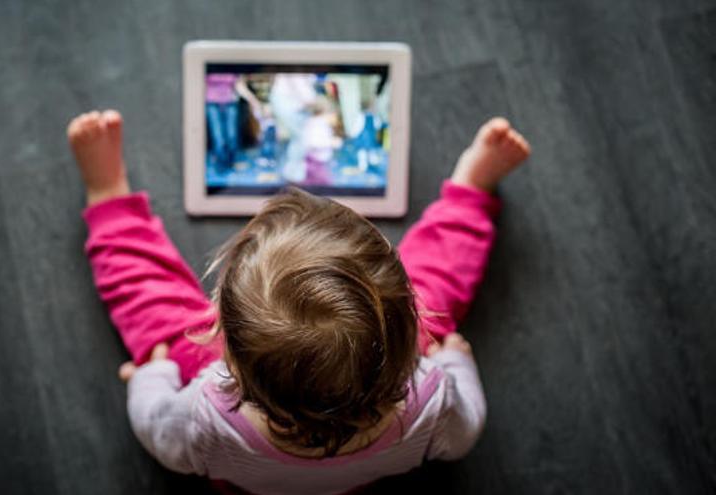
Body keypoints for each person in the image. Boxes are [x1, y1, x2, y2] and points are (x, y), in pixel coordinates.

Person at [66, 109, 530, 494]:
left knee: (157, 314)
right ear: (413, 323)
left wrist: (152, 377)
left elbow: (157, 430)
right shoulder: (431, 402)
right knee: (439, 274)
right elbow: (465, 434)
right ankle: (469, 194)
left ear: (222, 346)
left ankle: (109, 197)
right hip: (368, 471)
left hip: (246, 473)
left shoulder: (203, 420)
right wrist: (453, 363)